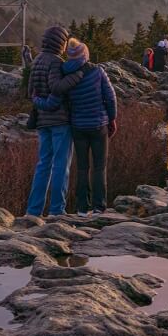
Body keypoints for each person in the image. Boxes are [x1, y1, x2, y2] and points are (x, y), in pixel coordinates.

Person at [34, 38, 118, 216]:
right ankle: (98, 207)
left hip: (78, 127)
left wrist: (37, 100)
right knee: (99, 166)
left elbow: (59, 100)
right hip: (99, 124)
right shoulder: (97, 71)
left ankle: (81, 208)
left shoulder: (64, 74)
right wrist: (112, 119)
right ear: (85, 55)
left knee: (82, 168)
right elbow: (110, 97)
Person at [25, 26, 86, 217]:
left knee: (43, 164)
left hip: (42, 122)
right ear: (60, 43)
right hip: (60, 121)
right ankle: (56, 211)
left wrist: (38, 101)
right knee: (61, 166)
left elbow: (30, 93)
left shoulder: (36, 61)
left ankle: (33, 212)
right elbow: (57, 89)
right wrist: (76, 76)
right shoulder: (55, 62)